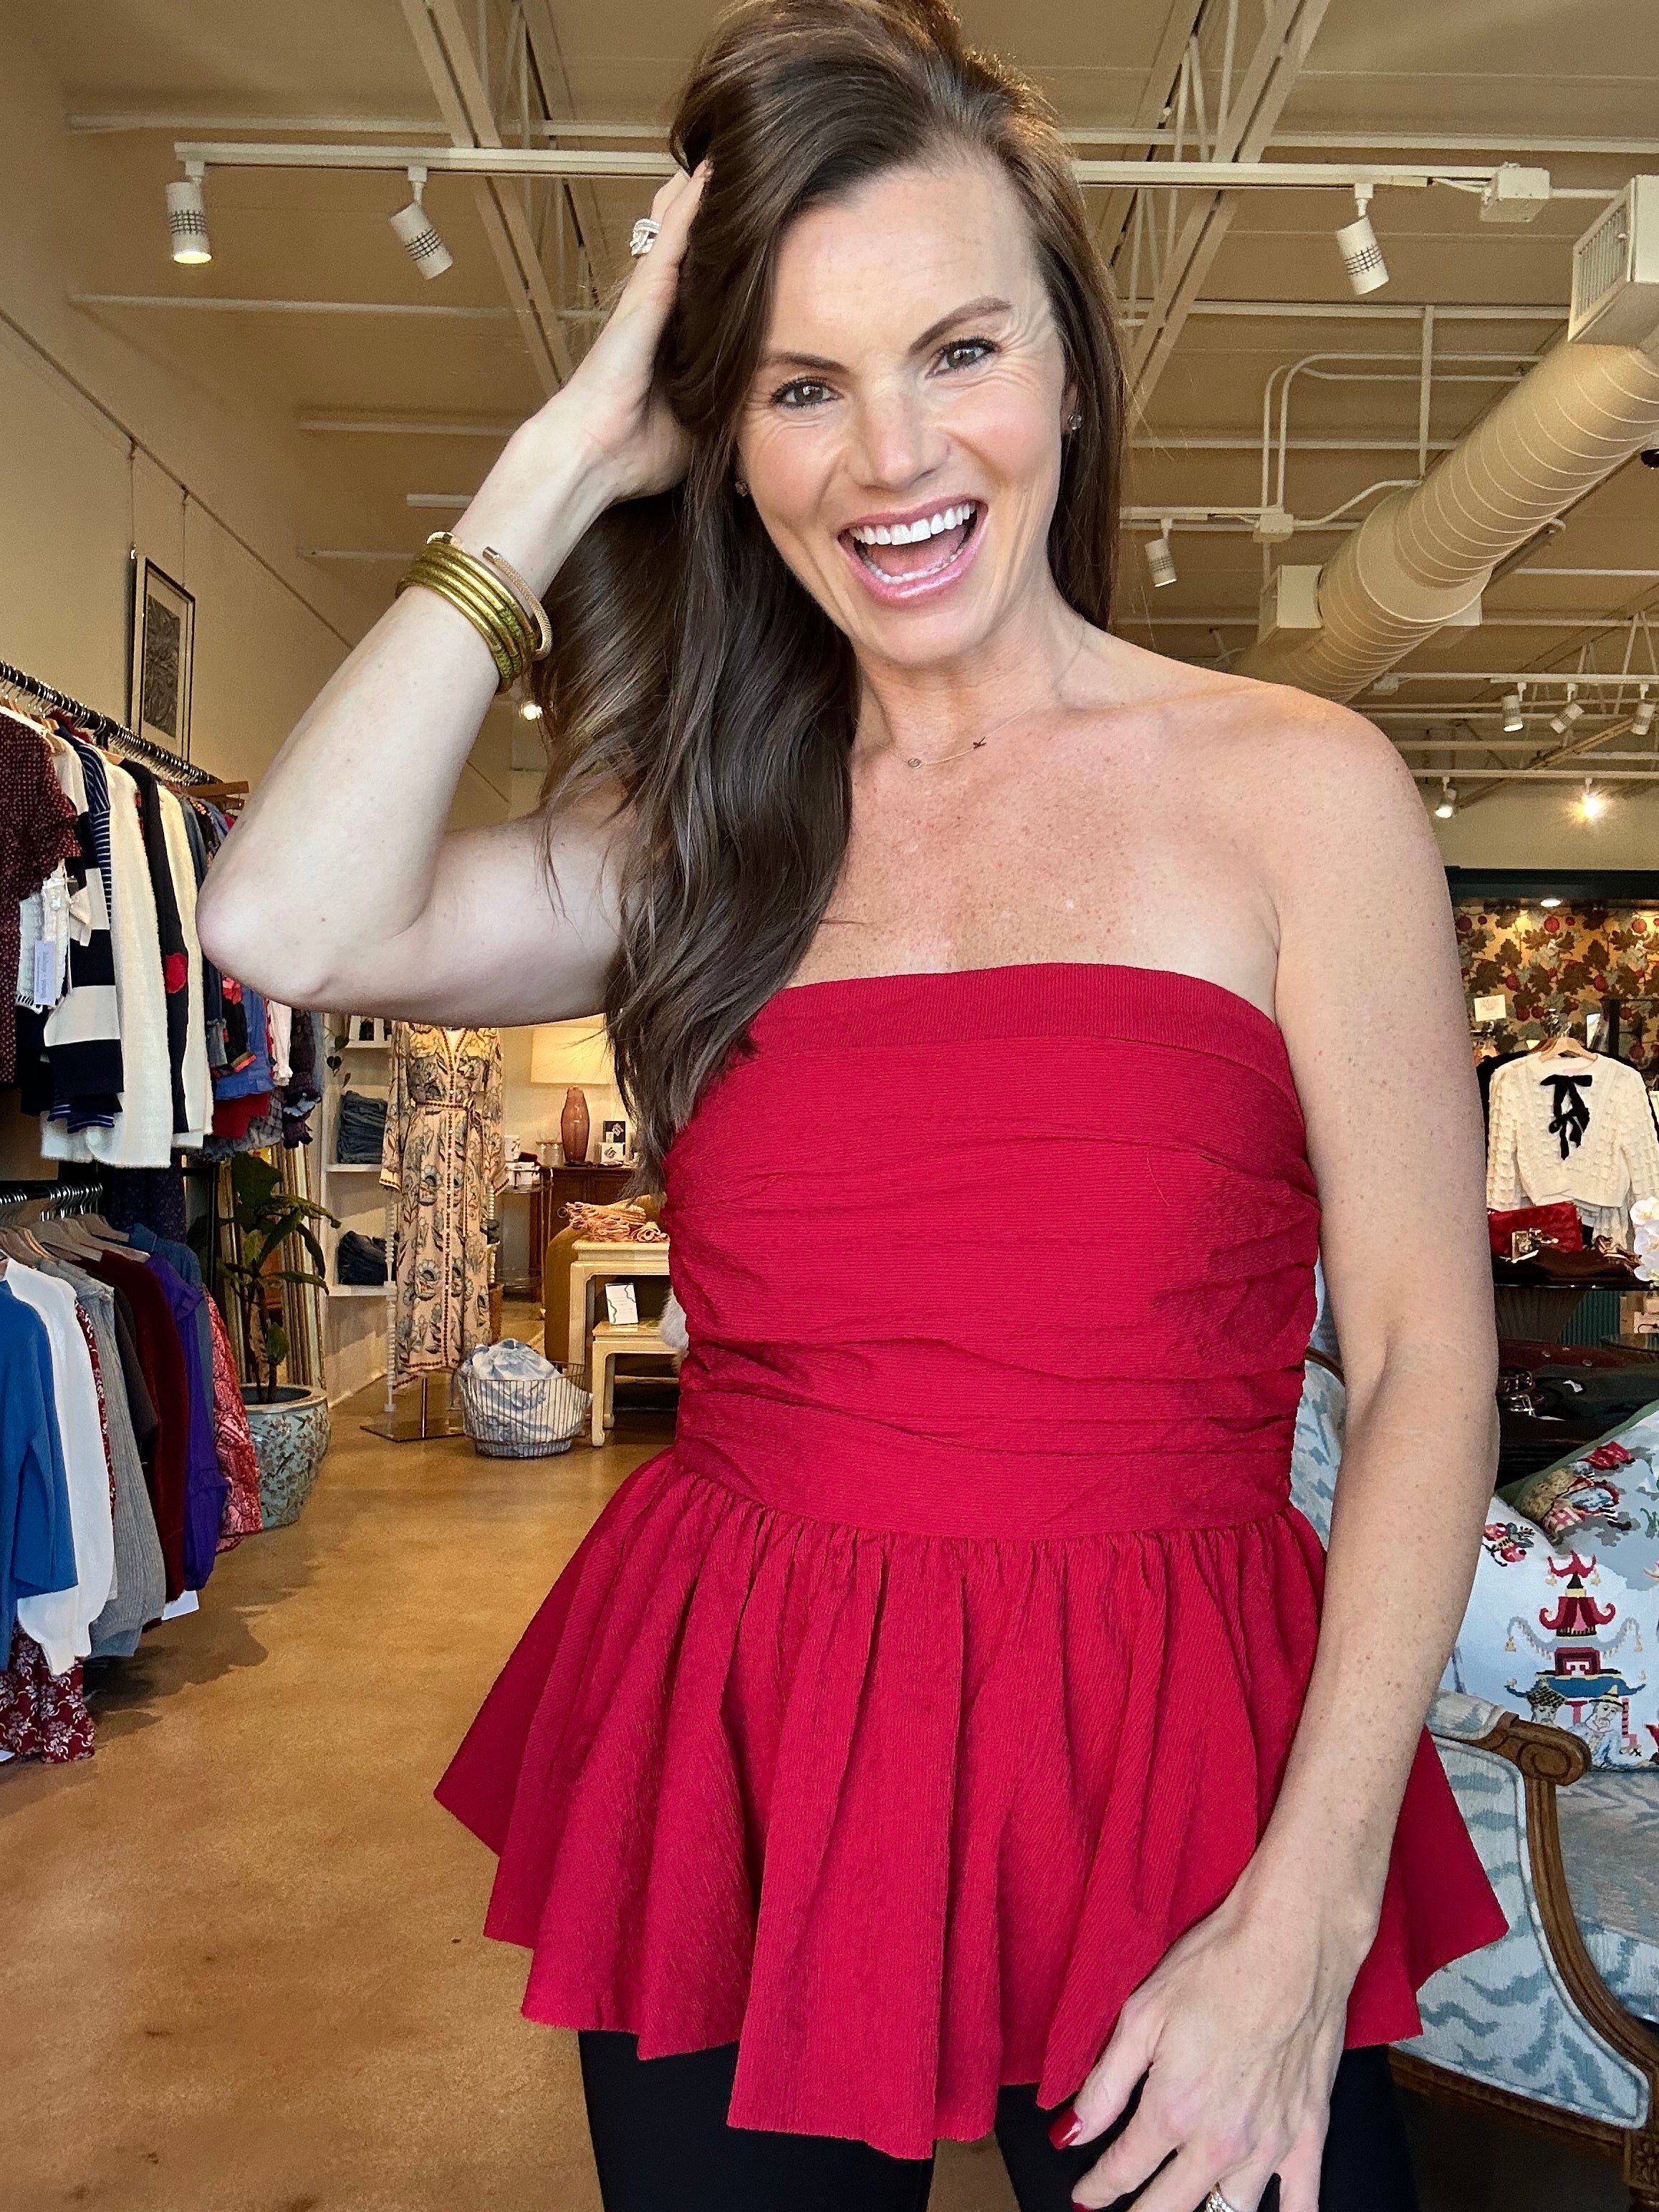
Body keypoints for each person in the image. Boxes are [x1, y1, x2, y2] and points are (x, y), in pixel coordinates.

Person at [197, 2, 1506, 2206]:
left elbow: (1420, 1366)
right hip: (750, 1719)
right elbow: (282, 922)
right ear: (721, 435)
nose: (890, 459)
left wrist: (1306, 1913)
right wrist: (560, 455)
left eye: (955, 351)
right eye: (800, 384)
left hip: (1171, 1738)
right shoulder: (689, 829)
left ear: (1066, 368)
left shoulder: (1296, 790)